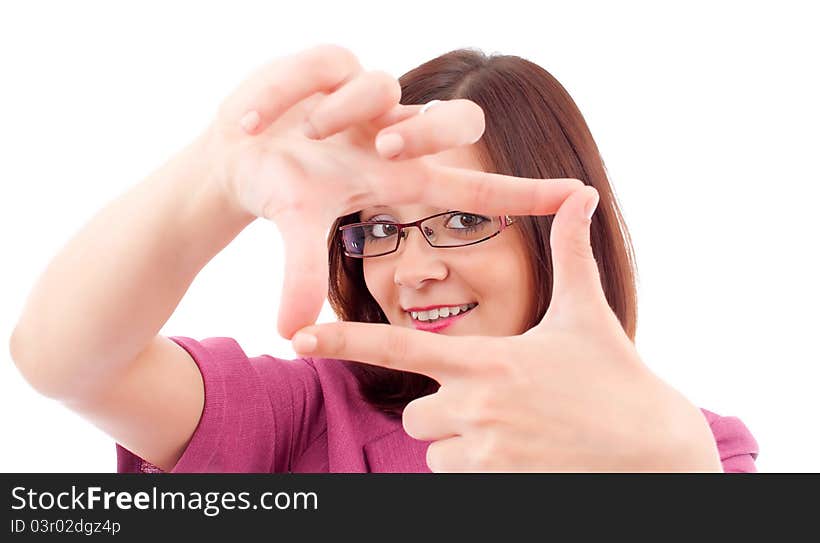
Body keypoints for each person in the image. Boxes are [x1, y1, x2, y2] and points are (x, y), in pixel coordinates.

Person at [9, 44, 759, 473]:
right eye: (377, 229)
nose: (411, 268)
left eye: (463, 219)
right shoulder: (306, 416)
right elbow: (64, 360)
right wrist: (215, 174)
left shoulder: (689, 443)